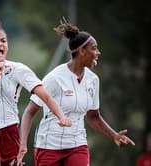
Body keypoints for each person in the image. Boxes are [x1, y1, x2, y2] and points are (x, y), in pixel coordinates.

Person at [16, 18, 135, 166]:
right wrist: (22, 143)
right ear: (82, 51)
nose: (98, 52)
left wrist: (114, 136)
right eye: (94, 48)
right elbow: (29, 112)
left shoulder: (93, 80)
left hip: (77, 146)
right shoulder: (54, 78)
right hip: (48, 147)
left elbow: (93, 117)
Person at [0, 11, 72, 166]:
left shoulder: (17, 69)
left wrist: (61, 116)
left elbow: (45, 96)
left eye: (3, 40)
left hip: (9, 132)